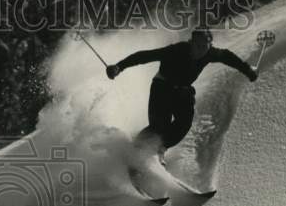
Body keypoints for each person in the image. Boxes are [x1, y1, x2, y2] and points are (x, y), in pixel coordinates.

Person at [106, 28, 258, 158]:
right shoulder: (176, 50)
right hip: (162, 88)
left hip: (183, 92)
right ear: (191, 43)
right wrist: (119, 66)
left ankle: (160, 149)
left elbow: (228, 57)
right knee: (159, 127)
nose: (199, 50)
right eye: (196, 46)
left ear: (210, 45)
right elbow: (144, 56)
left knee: (183, 124)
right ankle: (135, 149)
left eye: (204, 46)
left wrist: (248, 70)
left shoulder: (211, 53)